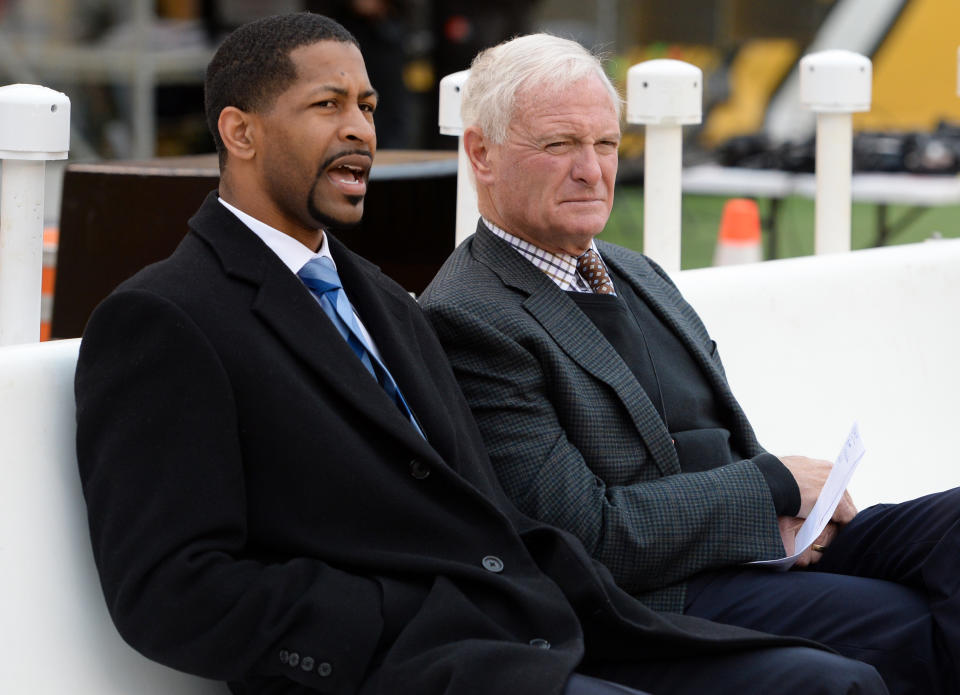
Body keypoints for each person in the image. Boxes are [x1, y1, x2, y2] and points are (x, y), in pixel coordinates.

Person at [72, 12, 888, 695]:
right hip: (405, 665)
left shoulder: (384, 299)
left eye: (366, 103)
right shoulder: (162, 317)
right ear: (238, 132)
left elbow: (481, 511)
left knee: (830, 682)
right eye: (326, 105)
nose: (360, 127)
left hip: (535, 622)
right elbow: (170, 592)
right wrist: (386, 622)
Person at [419, 33, 960, 695]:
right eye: (560, 145)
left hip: (758, 543)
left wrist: (787, 521)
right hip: (665, 596)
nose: (592, 169)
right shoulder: (469, 317)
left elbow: (715, 436)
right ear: (481, 152)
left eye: (607, 144)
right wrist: (773, 489)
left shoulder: (633, 270)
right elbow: (587, 536)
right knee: (911, 623)